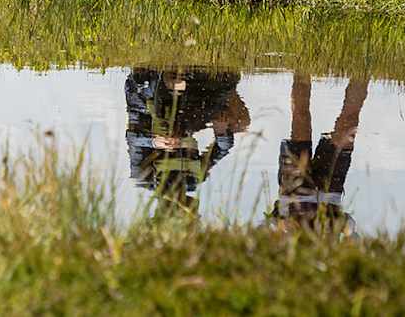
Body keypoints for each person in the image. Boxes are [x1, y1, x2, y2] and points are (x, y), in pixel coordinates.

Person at [124, 67, 250, 212]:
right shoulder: (194, 179)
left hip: (145, 99)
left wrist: (154, 141)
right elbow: (223, 148)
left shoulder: (144, 177)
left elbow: (132, 138)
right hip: (187, 111)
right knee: (241, 122)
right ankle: (210, 72)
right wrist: (221, 132)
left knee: (150, 83)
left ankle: (169, 73)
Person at [268, 73, 368, 234]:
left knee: (301, 117)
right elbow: (350, 228)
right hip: (329, 196)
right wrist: (348, 230)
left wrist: (279, 225)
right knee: (349, 123)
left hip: (295, 192)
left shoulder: (285, 254)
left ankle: (303, 61)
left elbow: (267, 226)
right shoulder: (330, 254)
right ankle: (364, 67)